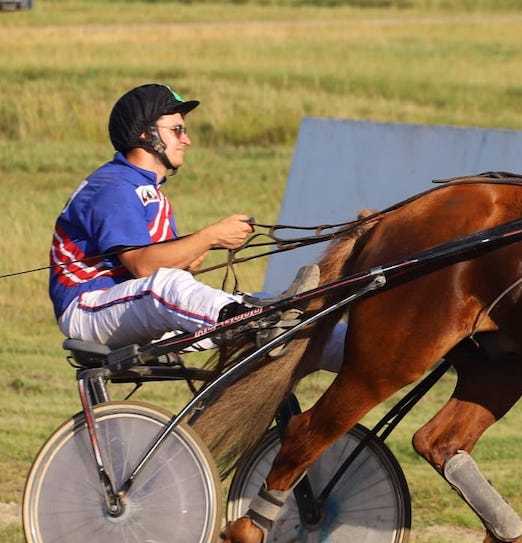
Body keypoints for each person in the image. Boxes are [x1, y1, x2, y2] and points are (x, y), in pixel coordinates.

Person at [48, 83, 332, 364]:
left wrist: (190, 257)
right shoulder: (114, 187)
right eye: (177, 130)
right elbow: (144, 267)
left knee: (267, 303)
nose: (187, 140)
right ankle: (252, 323)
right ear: (146, 134)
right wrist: (209, 237)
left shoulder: (149, 192)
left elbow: (157, 266)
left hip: (129, 305)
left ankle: (353, 354)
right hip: (87, 308)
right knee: (173, 287)